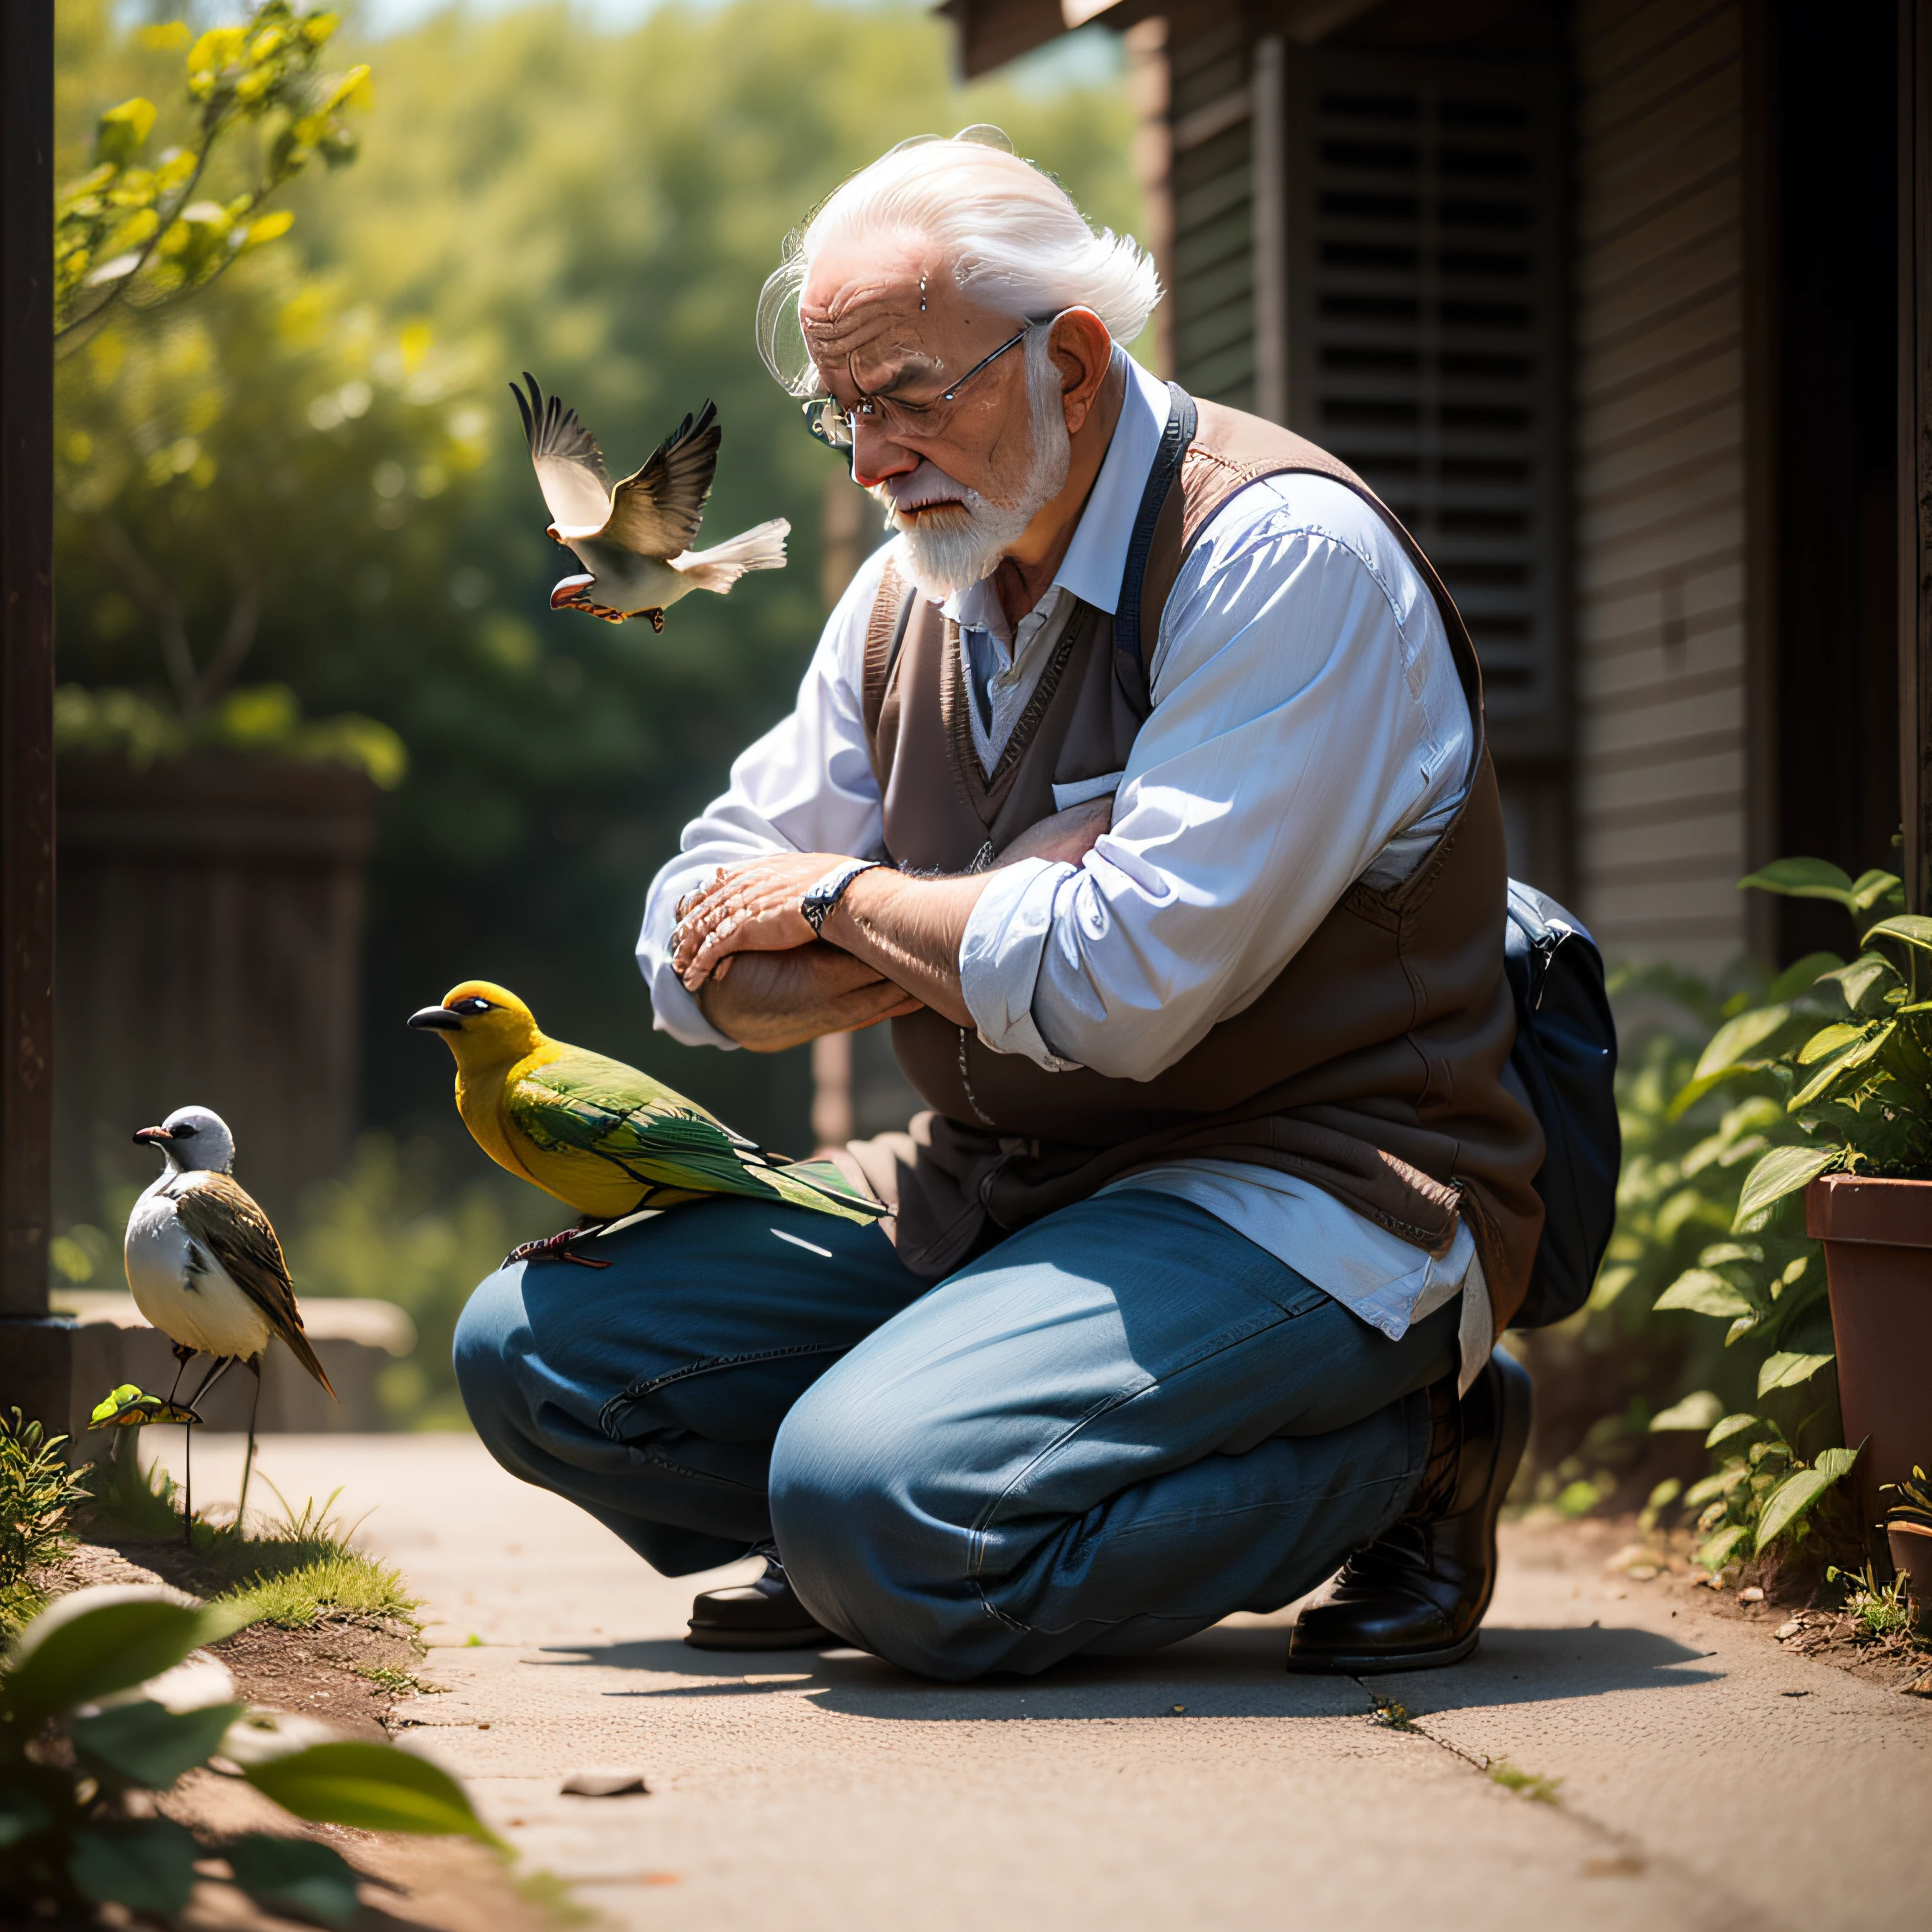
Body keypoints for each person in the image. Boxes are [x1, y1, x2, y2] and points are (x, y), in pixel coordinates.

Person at [453, 131, 1545, 1681]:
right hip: (1000, 1178)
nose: (866, 461)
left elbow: (1124, 989)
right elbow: (689, 937)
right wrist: (971, 920)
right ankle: (909, 1489)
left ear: (1077, 362)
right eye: (842, 410)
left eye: (905, 397)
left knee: (878, 1518)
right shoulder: (912, 584)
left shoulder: (1279, 557)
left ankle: (1419, 1449)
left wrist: (838, 897)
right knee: (537, 1358)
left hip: (1307, 1189)